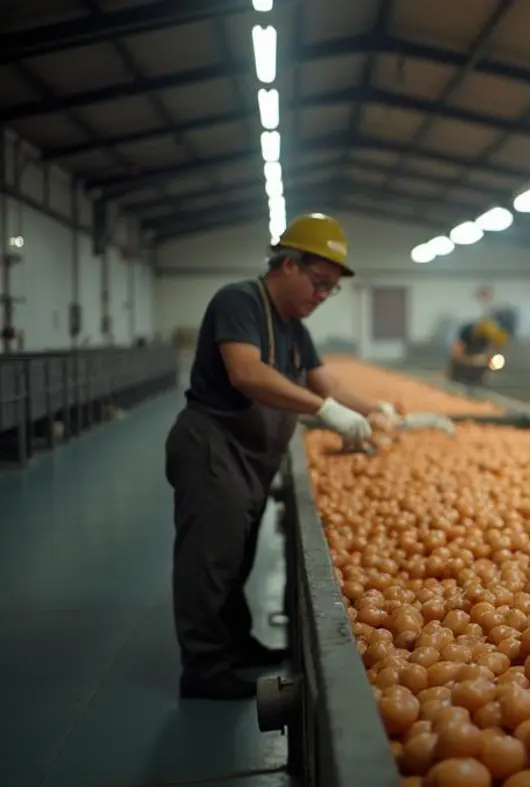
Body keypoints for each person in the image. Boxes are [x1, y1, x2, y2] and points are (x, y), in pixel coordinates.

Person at [165, 213, 401, 700]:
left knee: (237, 552)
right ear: (287, 265)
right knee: (210, 558)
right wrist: (326, 413)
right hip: (214, 444)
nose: (321, 296)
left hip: (250, 455)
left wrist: (379, 409)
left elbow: (325, 382)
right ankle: (204, 668)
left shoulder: (293, 324)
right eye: (318, 283)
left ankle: (236, 644)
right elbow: (247, 373)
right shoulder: (240, 301)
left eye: (330, 290)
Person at [448, 312, 512, 386]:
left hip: (476, 378)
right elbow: (456, 355)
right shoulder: (466, 333)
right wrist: (476, 360)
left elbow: (494, 356)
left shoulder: (488, 337)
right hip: (459, 374)